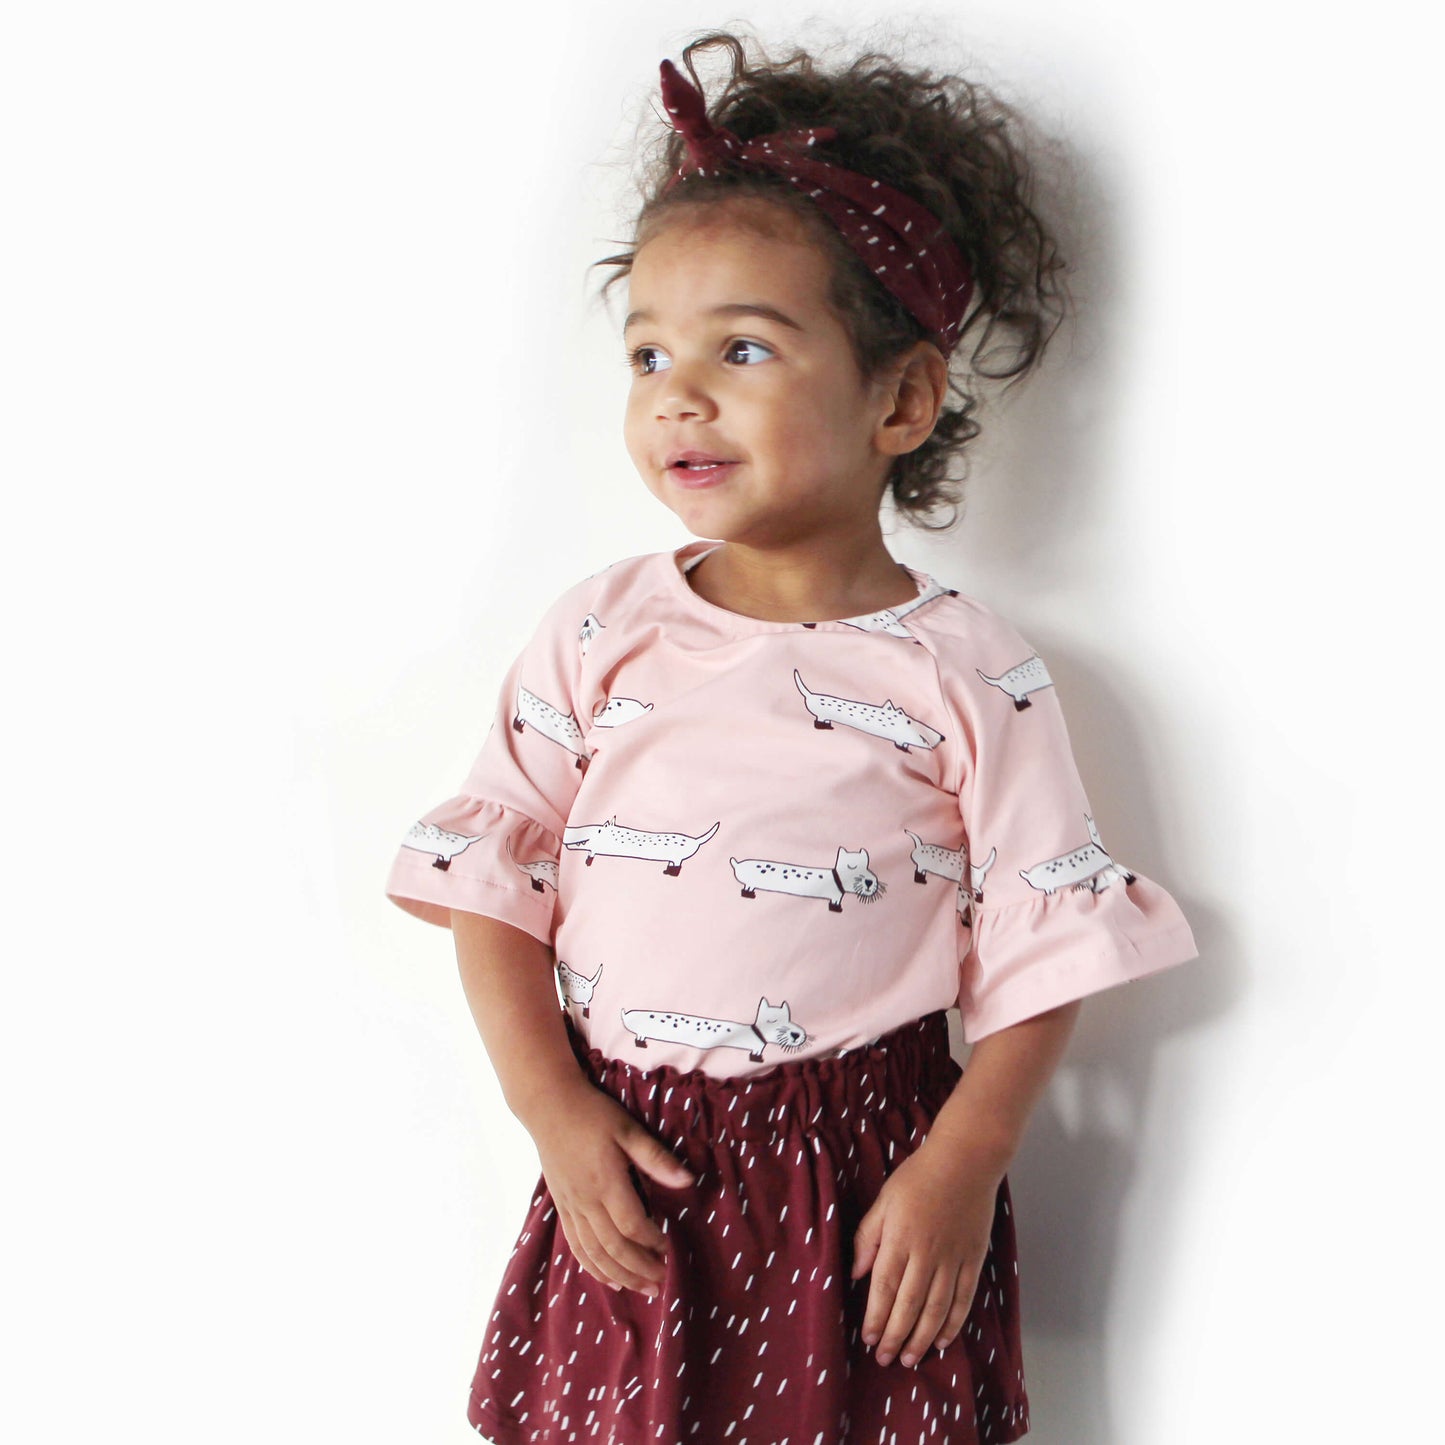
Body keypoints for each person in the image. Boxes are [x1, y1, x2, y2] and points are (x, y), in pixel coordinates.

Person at [384, 29, 1198, 1444]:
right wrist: (550, 1112)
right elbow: (491, 884)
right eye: (649, 352)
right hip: (630, 1166)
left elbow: (1047, 932)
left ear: (900, 399)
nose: (677, 393)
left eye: (744, 347)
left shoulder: (967, 669)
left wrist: (964, 1161)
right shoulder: (599, 629)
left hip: (866, 1180)